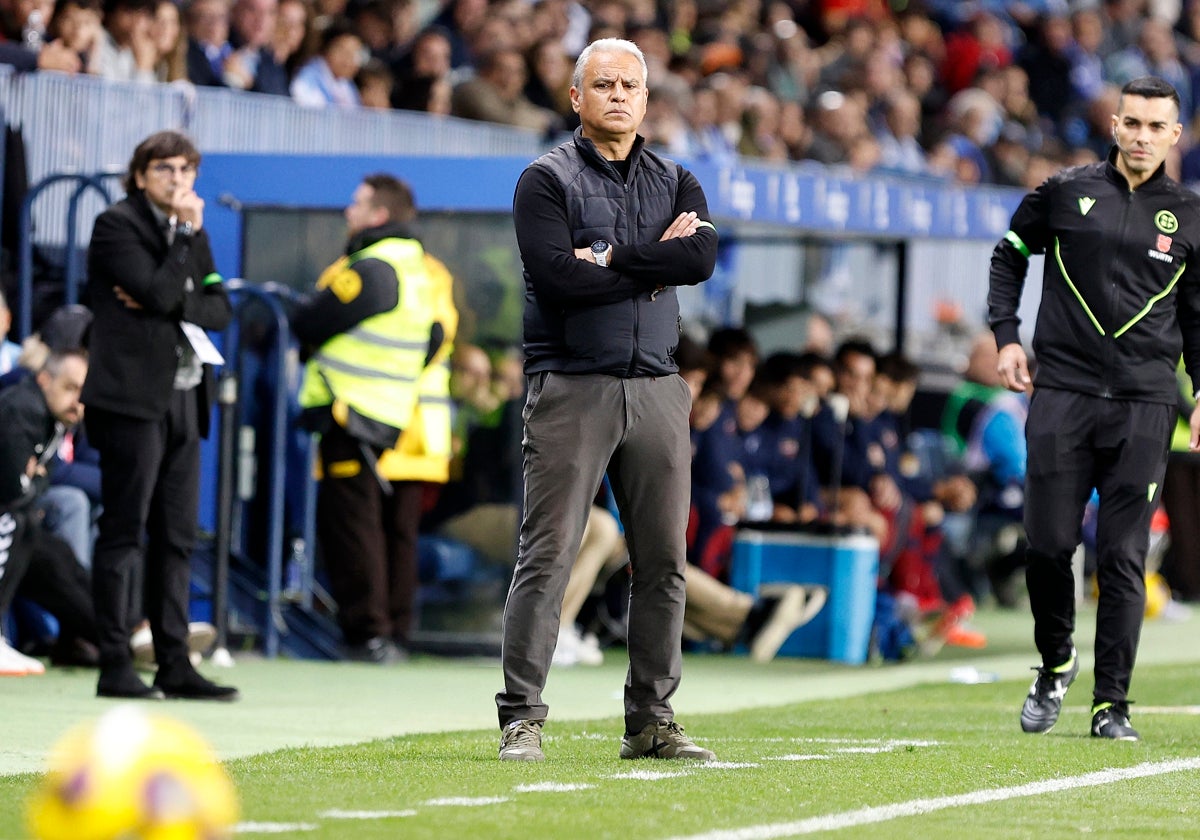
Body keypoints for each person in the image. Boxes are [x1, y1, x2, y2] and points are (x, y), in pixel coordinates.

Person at [497, 37, 718, 763]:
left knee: (663, 563)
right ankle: (522, 717)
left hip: (657, 386)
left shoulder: (679, 179)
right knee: (549, 554)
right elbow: (559, 279)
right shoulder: (544, 180)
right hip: (571, 386)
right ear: (576, 98)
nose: (618, 95)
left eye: (630, 85)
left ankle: (652, 720)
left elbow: (699, 258)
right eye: (603, 84)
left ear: (647, 99)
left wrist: (614, 259)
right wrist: (654, 264)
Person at [988, 77, 1200, 742]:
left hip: (1146, 401)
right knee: (1048, 545)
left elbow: (1196, 316)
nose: (1141, 136)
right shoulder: (1063, 192)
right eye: (1131, 123)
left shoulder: (1190, 217)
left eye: (1154, 126)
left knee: (1123, 556)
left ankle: (1112, 704)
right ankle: (1055, 662)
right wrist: (1005, 336)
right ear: (1114, 125)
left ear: (1175, 135)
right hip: (1063, 393)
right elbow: (1010, 254)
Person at [84, 130, 237, 701]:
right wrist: (178, 258)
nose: (178, 180)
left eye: (187, 170)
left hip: (183, 397)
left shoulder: (192, 232)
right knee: (124, 531)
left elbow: (217, 306)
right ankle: (115, 663)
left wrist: (172, 296)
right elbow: (156, 291)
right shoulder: (117, 224)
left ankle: (174, 662)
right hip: (129, 400)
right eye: (166, 169)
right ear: (141, 174)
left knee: (176, 535)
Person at [291, 173, 442, 664]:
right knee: (383, 530)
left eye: (356, 203)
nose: (347, 212)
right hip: (388, 413)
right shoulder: (419, 268)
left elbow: (310, 320)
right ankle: (388, 634)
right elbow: (437, 337)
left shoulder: (373, 267)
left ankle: (367, 635)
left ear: (379, 214)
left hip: (350, 411)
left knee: (354, 528)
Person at [0, 348, 100, 675]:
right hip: (9, 518)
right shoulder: (21, 408)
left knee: (59, 560)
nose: (77, 401)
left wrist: (32, 481)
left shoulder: (55, 419)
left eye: (83, 392)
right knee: (19, 520)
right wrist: (30, 483)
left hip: (18, 520)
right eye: (70, 388)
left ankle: (122, 636)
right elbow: (12, 491)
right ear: (45, 379)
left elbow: (40, 480)